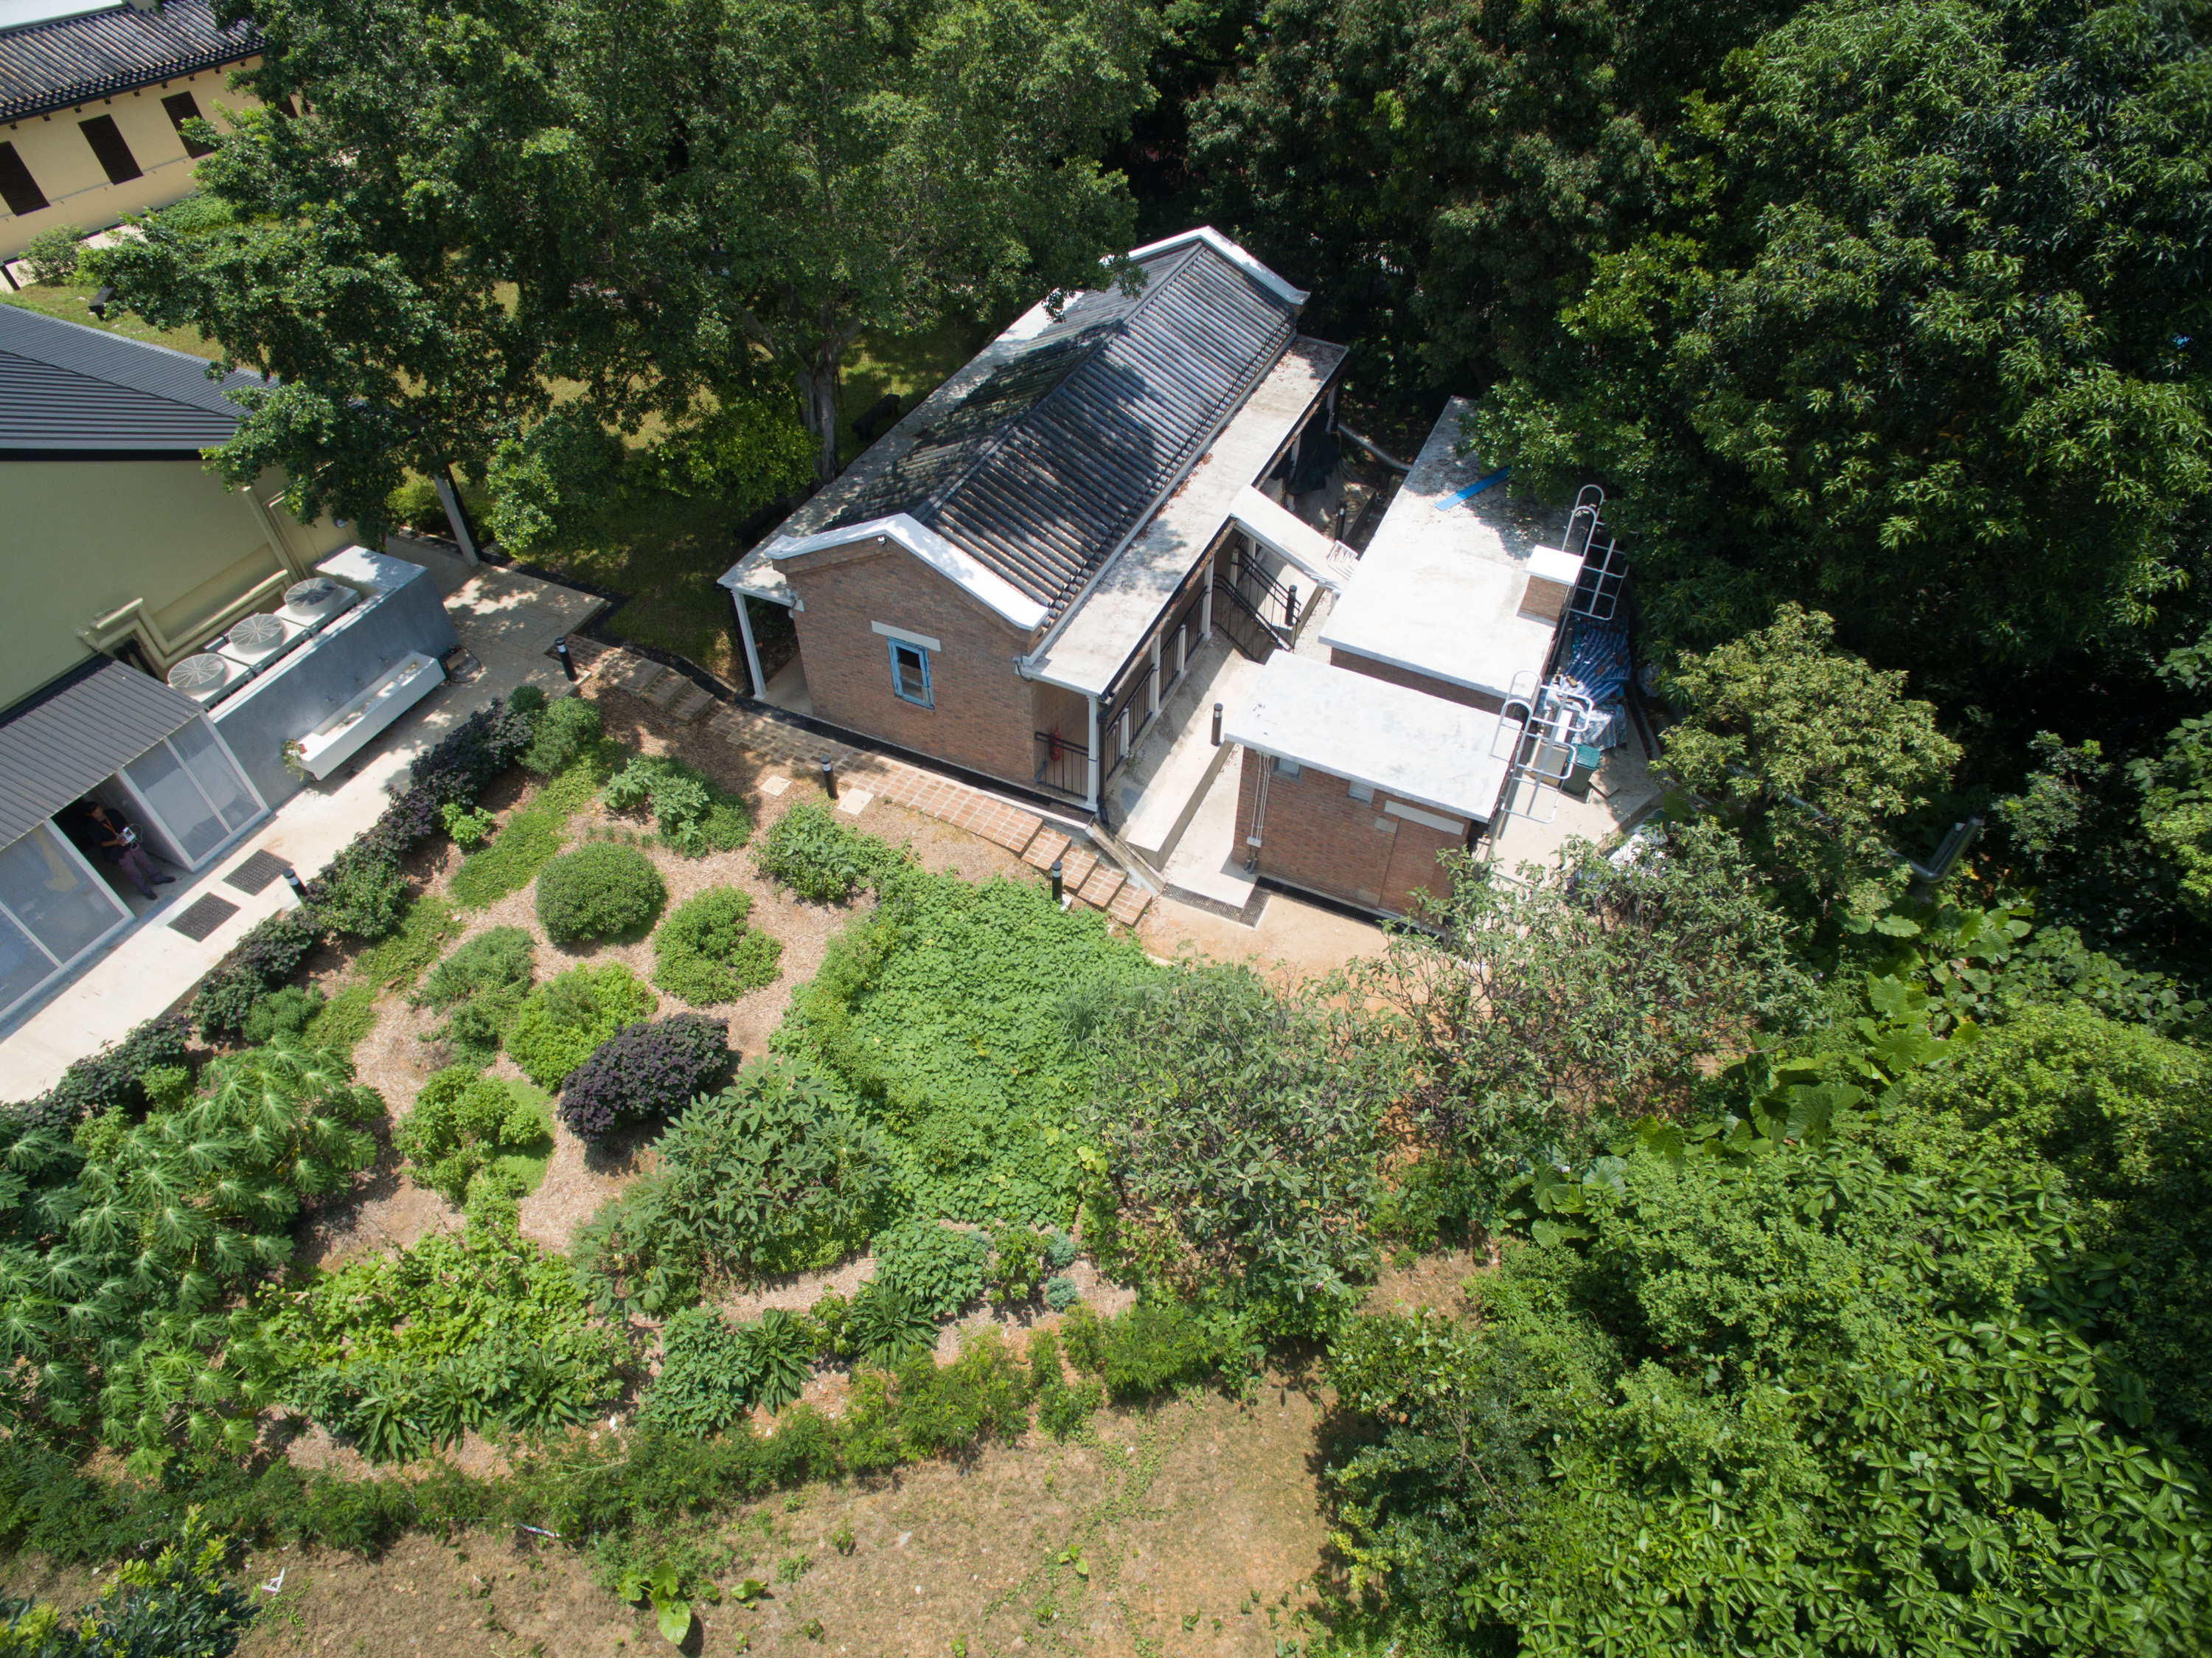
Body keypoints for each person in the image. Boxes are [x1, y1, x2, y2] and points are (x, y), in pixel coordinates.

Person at [77, 800, 173, 900]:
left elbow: (125, 823)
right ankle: (145, 890)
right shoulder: (92, 828)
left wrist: (128, 833)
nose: (99, 813)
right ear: (90, 815)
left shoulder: (111, 813)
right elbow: (100, 844)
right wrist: (116, 842)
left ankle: (158, 878)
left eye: (99, 810)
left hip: (130, 843)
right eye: (96, 813)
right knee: (132, 871)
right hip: (117, 851)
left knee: (145, 860)